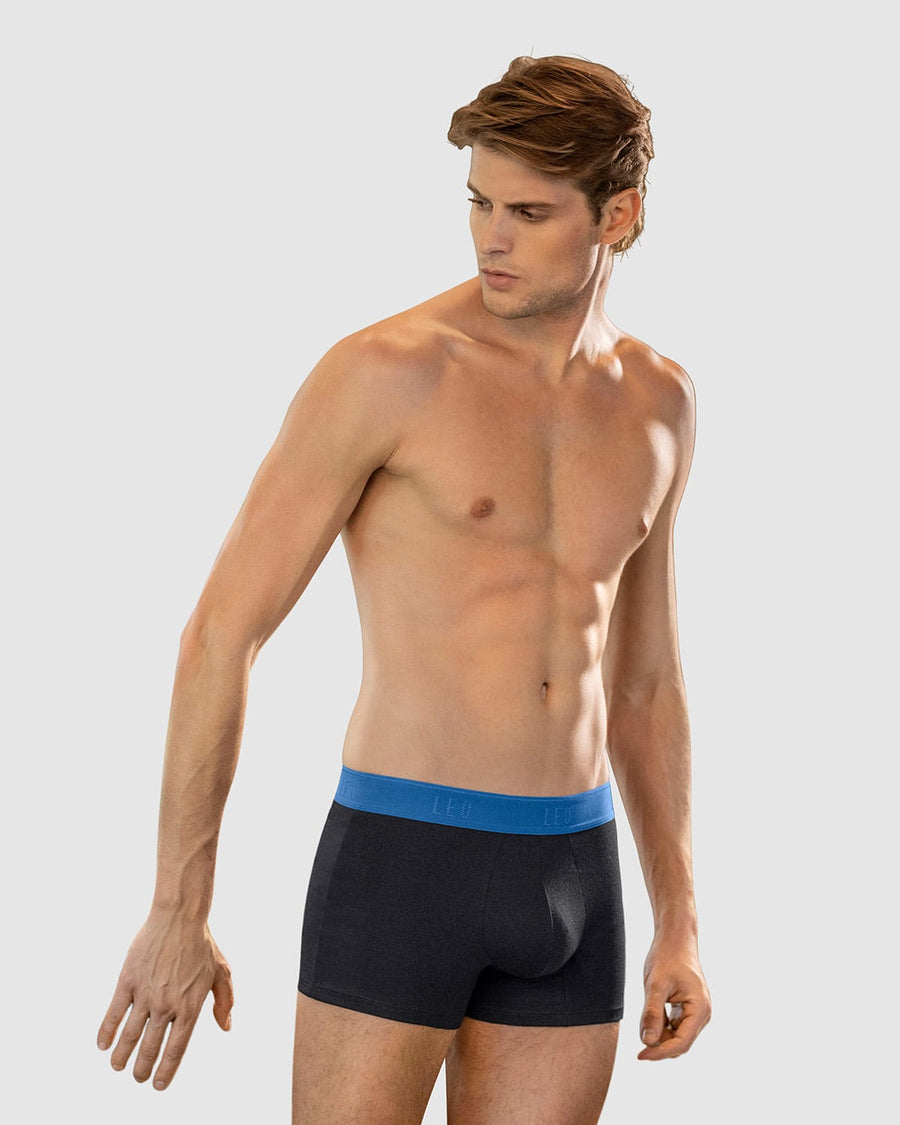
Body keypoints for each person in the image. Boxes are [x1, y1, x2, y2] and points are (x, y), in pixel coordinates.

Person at [97, 53, 711, 1123]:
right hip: (403, 860)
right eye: (478, 203)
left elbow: (646, 678)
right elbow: (221, 635)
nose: (490, 238)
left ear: (617, 215)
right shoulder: (388, 372)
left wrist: (681, 917)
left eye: (528, 212)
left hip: (577, 869)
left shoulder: (660, 401)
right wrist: (177, 906)